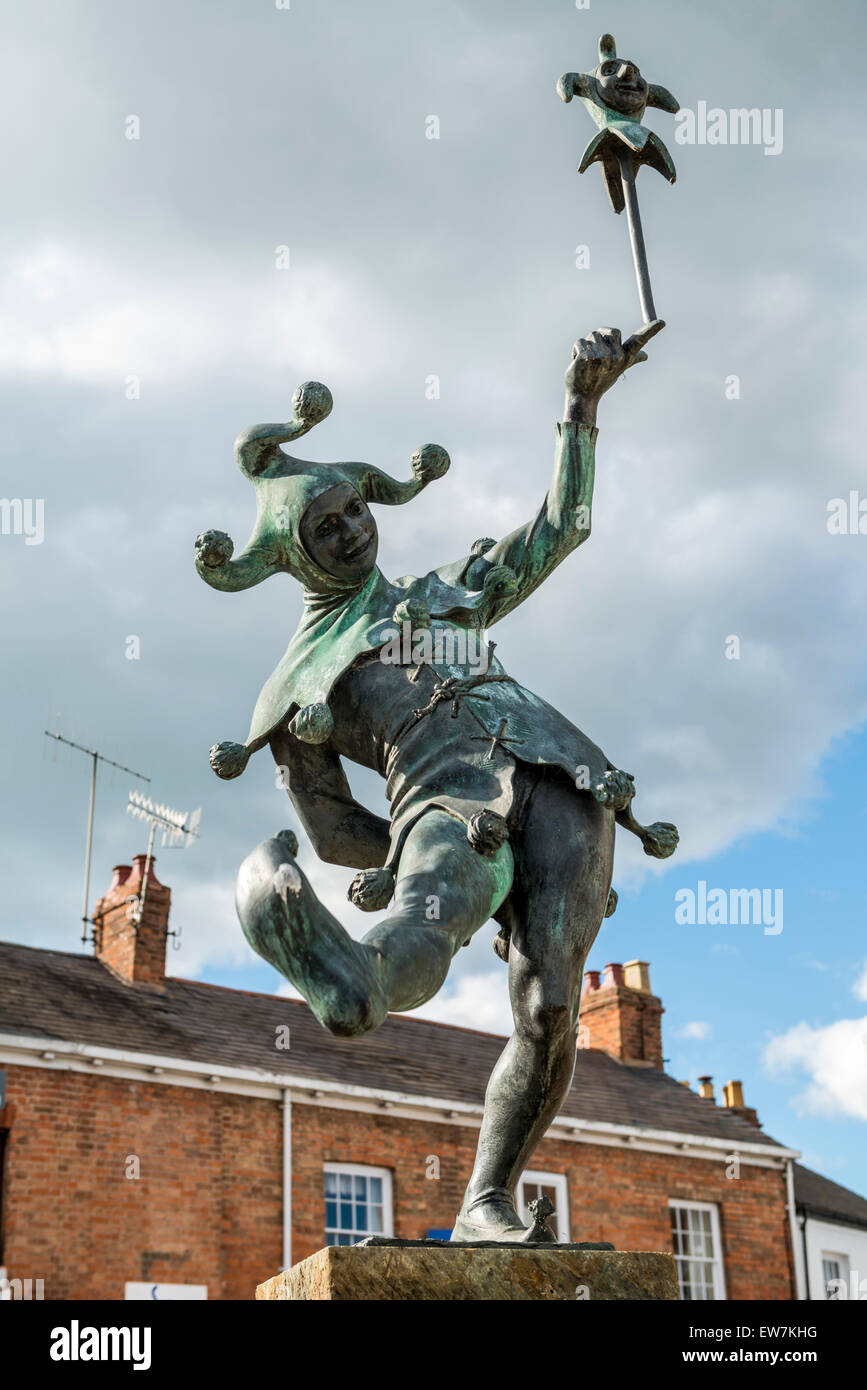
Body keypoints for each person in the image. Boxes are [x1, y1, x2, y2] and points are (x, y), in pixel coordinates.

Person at [201, 323, 678, 1242]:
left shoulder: (446, 592)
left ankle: (485, 1202)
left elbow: (562, 528)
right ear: (291, 555)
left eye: (351, 511)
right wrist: (412, 844)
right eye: (322, 528)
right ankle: (356, 979)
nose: (347, 531)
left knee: (547, 1007)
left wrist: (578, 406)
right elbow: (335, 829)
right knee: (425, 914)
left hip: (566, 781)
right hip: (444, 804)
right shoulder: (298, 684)